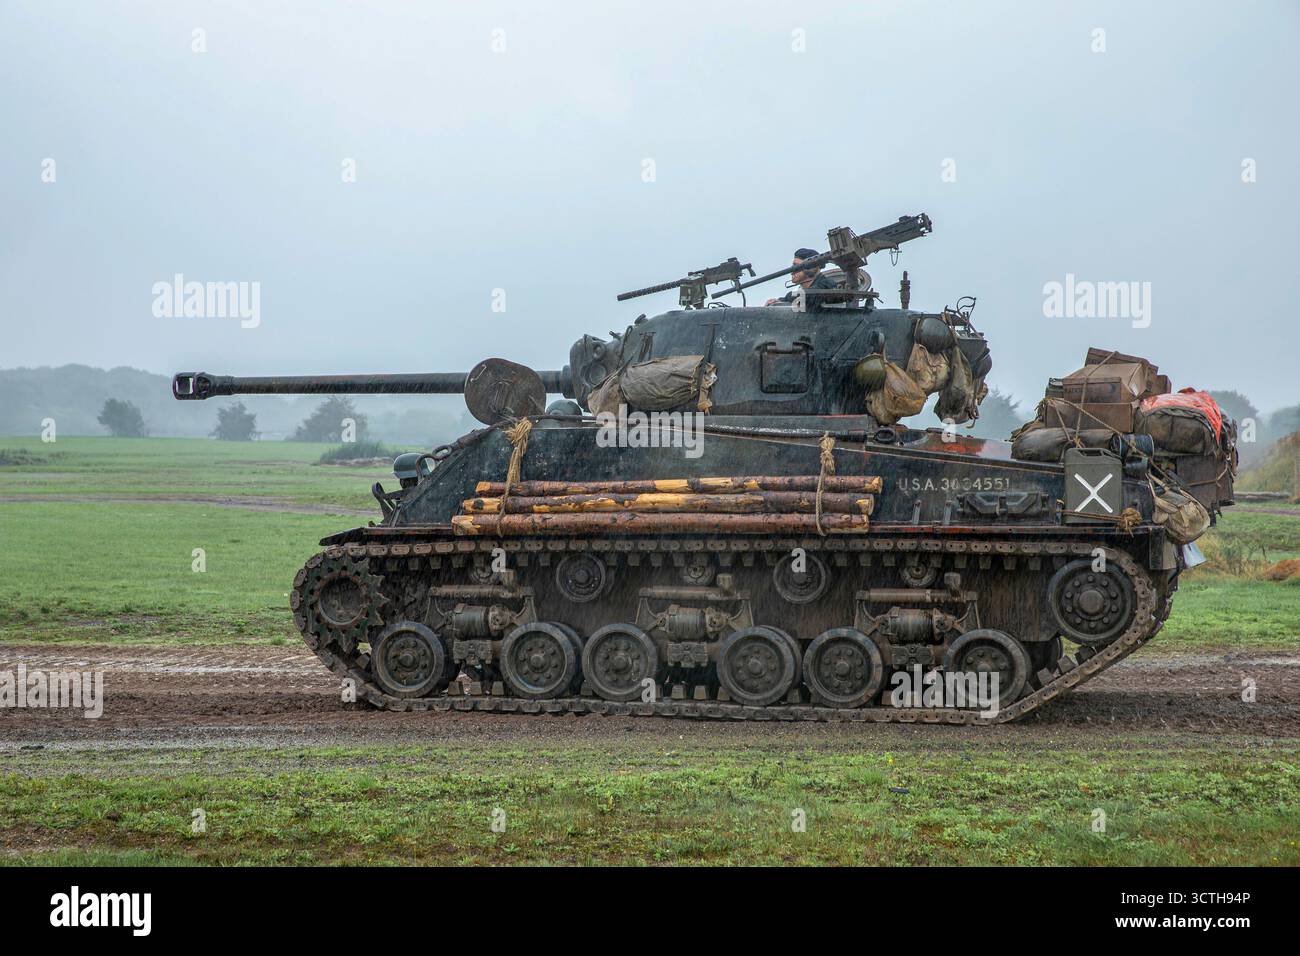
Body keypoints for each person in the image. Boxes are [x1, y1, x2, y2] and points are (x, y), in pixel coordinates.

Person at [765, 247, 840, 313]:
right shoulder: (800, 293)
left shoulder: (827, 284)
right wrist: (779, 301)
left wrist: (788, 297)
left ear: (810, 268)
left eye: (796, 266)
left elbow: (810, 297)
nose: (792, 271)